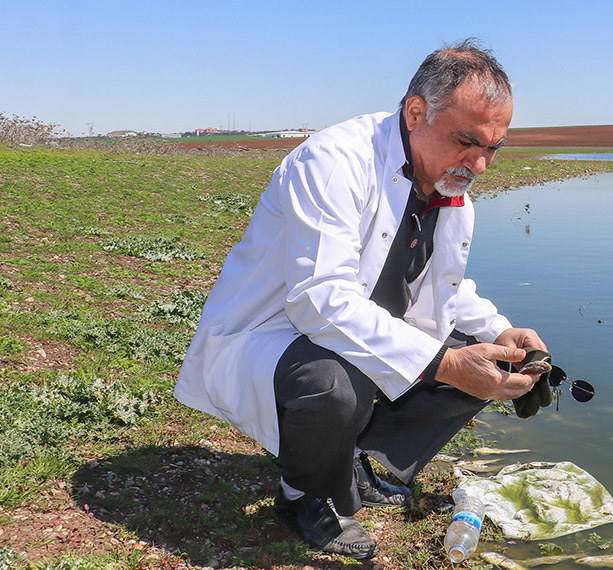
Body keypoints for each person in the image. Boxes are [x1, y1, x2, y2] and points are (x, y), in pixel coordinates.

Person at [174, 39, 550, 560]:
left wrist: (500, 331)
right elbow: (318, 300)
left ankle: (361, 462)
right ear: (416, 112)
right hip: (277, 330)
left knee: (489, 359)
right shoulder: (335, 161)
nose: (481, 164)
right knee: (338, 386)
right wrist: (445, 363)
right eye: (468, 141)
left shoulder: (448, 184)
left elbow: (444, 286)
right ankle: (304, 496)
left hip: (358, 324)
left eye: (493, 147)